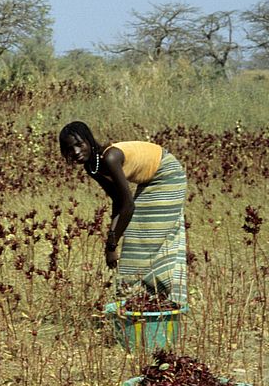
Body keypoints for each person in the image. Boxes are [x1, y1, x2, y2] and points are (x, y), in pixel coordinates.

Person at [58, 121, 187, 306]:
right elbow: (118, 201)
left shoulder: (110, 157)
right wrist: (112, 240)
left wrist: (111, 245)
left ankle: (165, 295)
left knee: (142, 233)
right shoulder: (92, 166)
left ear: (89, 140)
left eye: (80, 144)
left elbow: (129, 205)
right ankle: (143, 298)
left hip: (167, 173)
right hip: (150, 179)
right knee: (137, 234)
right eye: (70, 149)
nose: (76, 152)